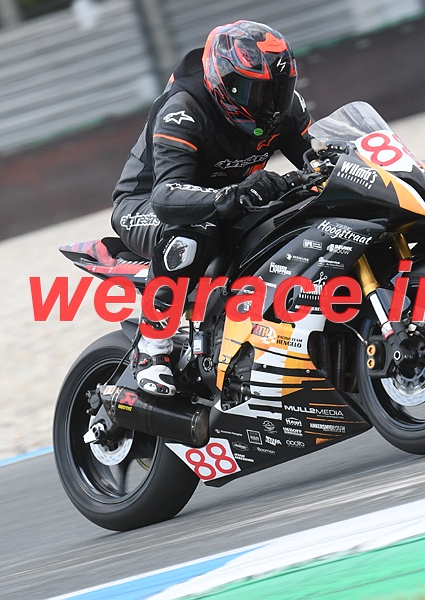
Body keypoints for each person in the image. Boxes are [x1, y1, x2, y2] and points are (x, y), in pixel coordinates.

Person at [111, 20, 314, 397]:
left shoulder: (284, 110)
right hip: (145, 204)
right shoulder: (184, 110)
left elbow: (316, 160)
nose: (268, 104)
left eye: (277, 90)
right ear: (224, 82)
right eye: (254, 91)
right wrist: (232, 195)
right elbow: (166, 197)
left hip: (225, 199)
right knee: (196, 229)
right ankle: (152, 346)